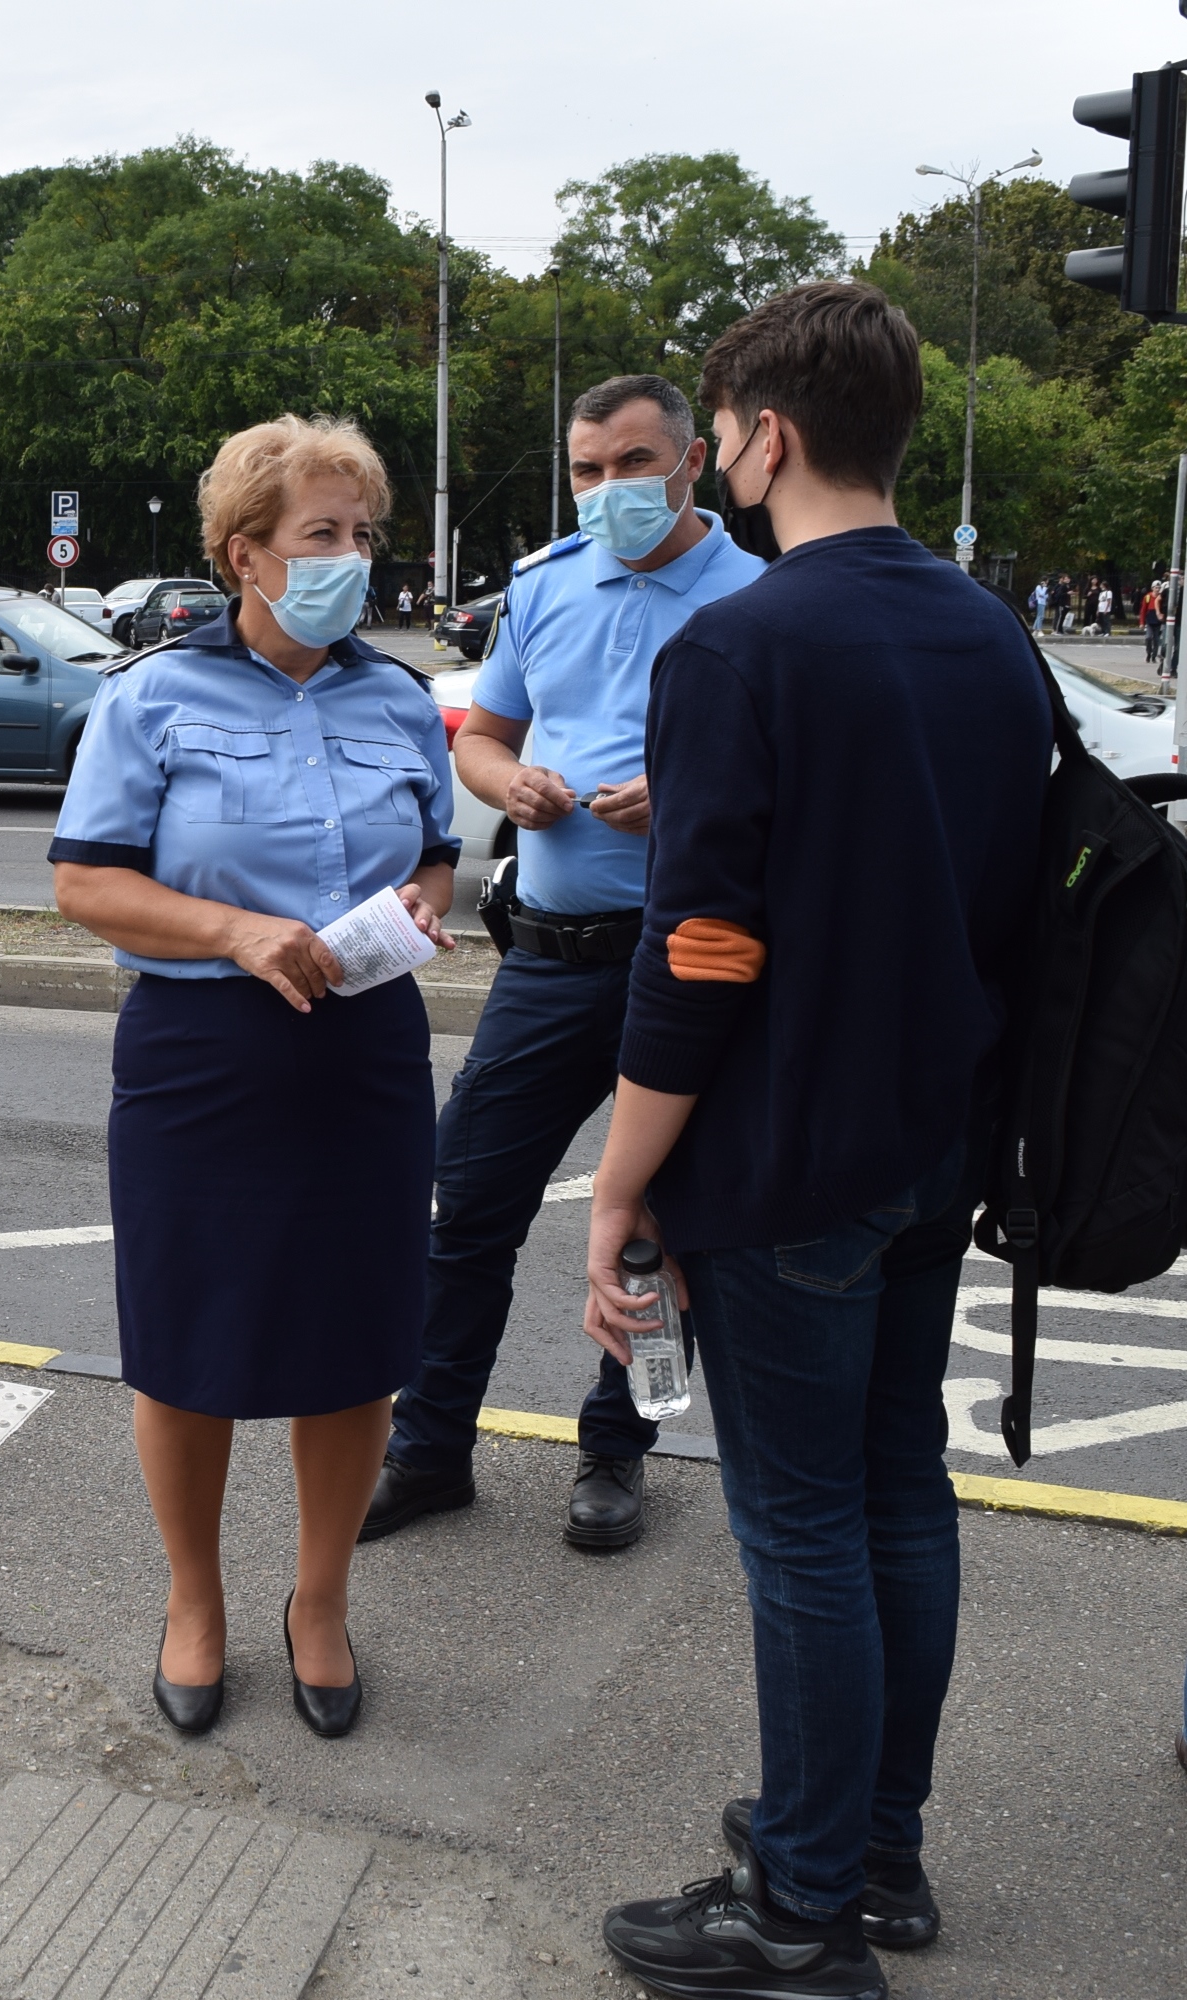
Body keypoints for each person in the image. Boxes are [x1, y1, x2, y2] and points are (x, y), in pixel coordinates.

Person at [585, 284, 1048, 1998]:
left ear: (760, 437)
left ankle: (794, 1913)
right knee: (892, 1497)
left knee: (796, 1531)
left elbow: (698, 954)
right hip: (936, 1144)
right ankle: (873, 1853)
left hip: (785, 1160)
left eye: (708, 436)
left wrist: (618, 1189)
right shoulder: (986, 630)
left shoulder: (738, 645)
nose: (703, 463)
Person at [50, 415, 456, 1741]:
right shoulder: (149, 698)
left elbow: (437, 851)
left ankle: (319, 1602)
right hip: (201, 1057)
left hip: (363, 1049)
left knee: (351, 1343)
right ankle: (193, 1600)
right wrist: (233, 931)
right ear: (244, 556)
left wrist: (415, 902)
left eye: (361, 535)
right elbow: (84, 880)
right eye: (320, 536)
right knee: (189, 1343)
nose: (351, 560)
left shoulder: (396, 699)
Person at [363, 376, 767, 1554]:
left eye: (631, 465)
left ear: (690, 463)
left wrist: (690, 800)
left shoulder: (759, 597)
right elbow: (483, 739)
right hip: (548, 957)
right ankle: (429, 1445)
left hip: (688, 961)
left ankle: (616, 1449)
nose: (604, 492)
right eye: (585, 471)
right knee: (463, 1206)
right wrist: (508, 783)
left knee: (655, 1229)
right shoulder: (542, 587)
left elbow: (804, 793)